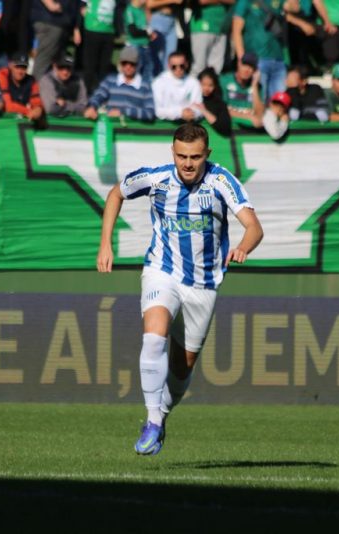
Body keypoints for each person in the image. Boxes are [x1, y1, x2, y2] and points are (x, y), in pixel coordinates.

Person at [96, 122, 264, 456]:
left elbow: (254, 227)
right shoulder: (156, 178)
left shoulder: (220, 181)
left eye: (195, 157)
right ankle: (152, 420)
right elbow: (116, 193)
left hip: (203, 285)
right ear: (172, 152)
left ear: (207, 155)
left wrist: (245, 246)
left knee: (182, 367)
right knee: (154, 335)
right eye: (182, 155)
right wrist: (105, 243)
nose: (188, 163)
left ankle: (163, 416)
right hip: (162, 270)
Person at [83, 46, 155, 122]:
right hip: (111, 127)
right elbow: (98, 95)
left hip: (134, 129)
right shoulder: (110, 80)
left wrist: (123, 112)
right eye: (124, 63)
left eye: (132, 63)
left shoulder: (145, 85)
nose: (128, 66)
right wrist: (92, 107)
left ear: (137, 65)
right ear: (120, 64)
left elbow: (150, 113)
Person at [30, 0, 82, 79]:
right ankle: (36, 89)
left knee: (57, 64)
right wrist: (49, 3)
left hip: (61, 22)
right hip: (51, 21)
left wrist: (76, 26)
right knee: (43, 63)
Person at [152, 51, 203, 122]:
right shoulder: (159, 82)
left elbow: (199, 108)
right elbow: (157, 110)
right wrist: (180, 113)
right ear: (169, 66)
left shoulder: (193, 82)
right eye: (174, 67)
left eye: (181, 66)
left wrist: (192, 113)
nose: (178, 69)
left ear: (186, 65)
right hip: (165, 126)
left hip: (188, 124)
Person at [189, 0, 234, 76]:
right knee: (199, 67)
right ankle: (193, 88)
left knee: (216, 69)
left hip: (221, 28)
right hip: (202, 27)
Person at [81, 0, 117, 93]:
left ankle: (102, 94)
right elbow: (81, 6)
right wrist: (77, 28)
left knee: (104, 67)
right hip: (92, 30)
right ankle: (87, 94)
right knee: (90, 66)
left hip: (109, 32)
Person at [219, 52, 263, 126]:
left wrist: (254, 86)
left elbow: (260, 115)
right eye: (244, 65)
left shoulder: (257, 86)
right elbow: (222, 109)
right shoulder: (224, 81)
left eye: (250, 67)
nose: (246, 70)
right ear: (238, 64)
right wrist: (248, 116)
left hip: (248, 131)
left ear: (255, 70)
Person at [0, 52, 43, 121]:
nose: (20, 71)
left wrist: (38, 109)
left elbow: (36, 102)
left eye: (23, 68)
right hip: (3, 120)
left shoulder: (31, 81)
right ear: (10, 65)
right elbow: (8, 106)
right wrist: (28, 111)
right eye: (17, 67)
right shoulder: (3, 76)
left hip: (22, 120)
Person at [193, 67, 232, 136]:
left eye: (210, 85)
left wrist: (204, 111)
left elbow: (225, 128)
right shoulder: (190, 99)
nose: (206, 88)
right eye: (203, 84)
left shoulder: (219, 103)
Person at [124, 0, 155, 83]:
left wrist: (150, 33)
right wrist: (148, 33)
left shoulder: (143, 10)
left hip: (145, 45)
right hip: (134, 45)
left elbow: (145, 26)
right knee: (135, 73)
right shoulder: (129, 10)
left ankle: (145, 93)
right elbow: (133, 31)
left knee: (148, 71)